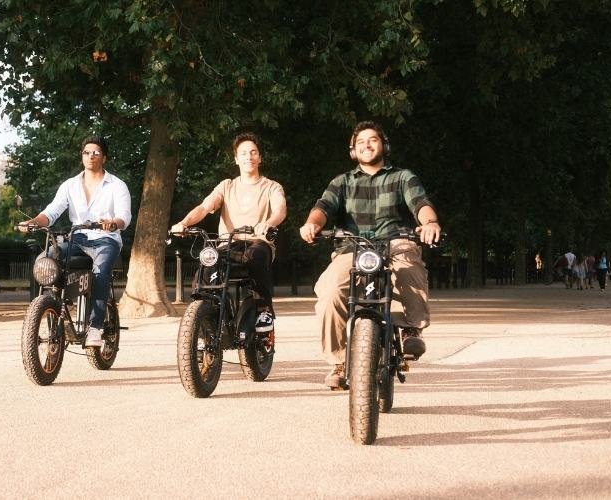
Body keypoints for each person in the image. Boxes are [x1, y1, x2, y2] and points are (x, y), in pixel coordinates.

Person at [299, 120, 441, 389]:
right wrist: (312, 224)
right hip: (351, 247)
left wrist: (430, 223)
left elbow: (420, 204)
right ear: (353, 150)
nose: (367, 145)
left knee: (409, 266)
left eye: (372, 139)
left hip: (395, 241)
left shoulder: (402, 177)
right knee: (329, 292)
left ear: (383, 145)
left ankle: (412, 328)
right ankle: (339, 362)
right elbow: (323, 207)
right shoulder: (341, 182)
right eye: (361, 141)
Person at [19, 135, 131, 347]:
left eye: (96, 152)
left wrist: (113, 223)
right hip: (78, 239)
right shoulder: (70, 185)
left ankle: (96, 328)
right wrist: (33, 221)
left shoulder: (117, 185)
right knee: (48, 256)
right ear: (82, 156)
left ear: (104, 157)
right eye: (87, 152)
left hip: (106, 240)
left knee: (100, 272)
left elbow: (124, 216)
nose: (91, 156)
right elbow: (51, 212)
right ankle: (54, 304)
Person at [170, 132, 287, 334]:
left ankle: (263, 310)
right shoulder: (226, 186)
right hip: (228, 244)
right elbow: (204, 207)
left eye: (253, 152)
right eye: (243, 153)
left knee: (256, 255)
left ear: (259, 157)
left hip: (258, 242)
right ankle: (206, 314)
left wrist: (267, 223)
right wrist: (184, 222)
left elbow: (280, 210)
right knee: (207, 263)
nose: (248, 157)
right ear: (236, 158)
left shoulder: (271, 186)